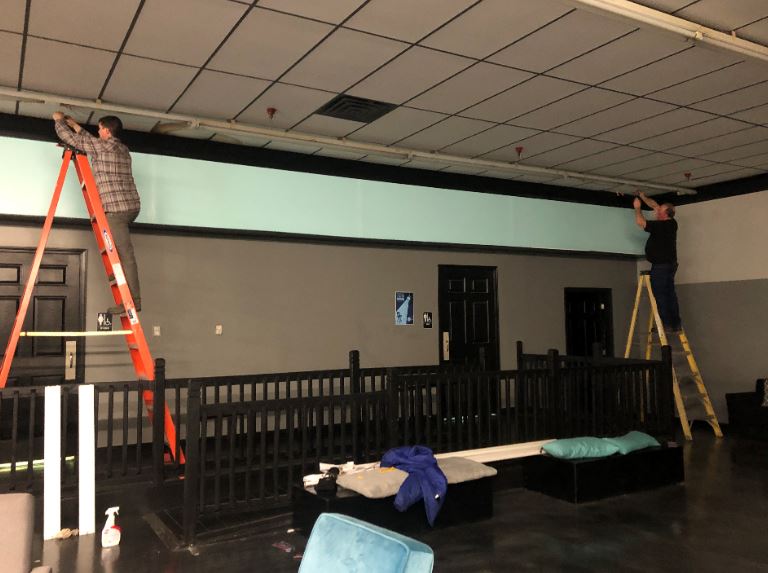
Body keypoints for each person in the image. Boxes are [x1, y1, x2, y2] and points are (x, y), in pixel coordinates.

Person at [52, 112, 141, 313]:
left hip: (116, 210)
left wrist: (59, 120)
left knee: (126, 255)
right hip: (131, 207)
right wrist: (75, 124)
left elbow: (70, 139)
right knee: (118, 249)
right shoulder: (122, 148)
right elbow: (90, 141)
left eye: (100, 128)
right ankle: (118, 277)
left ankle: (133, 301)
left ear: (106, 130)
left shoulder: (101, 146)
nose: (98, 131)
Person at [633, 191, 680, 331]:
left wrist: (637, 207)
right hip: (669, 265)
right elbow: (654, 205)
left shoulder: (661, 226)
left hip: (661, 266)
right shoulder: (672, 223)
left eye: (660, 210)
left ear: (665, 214)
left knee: (660, 295)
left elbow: (640, 222)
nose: (657, 210)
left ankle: (666, 324)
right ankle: (675, 324)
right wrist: (643, 197)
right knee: (670, 294)